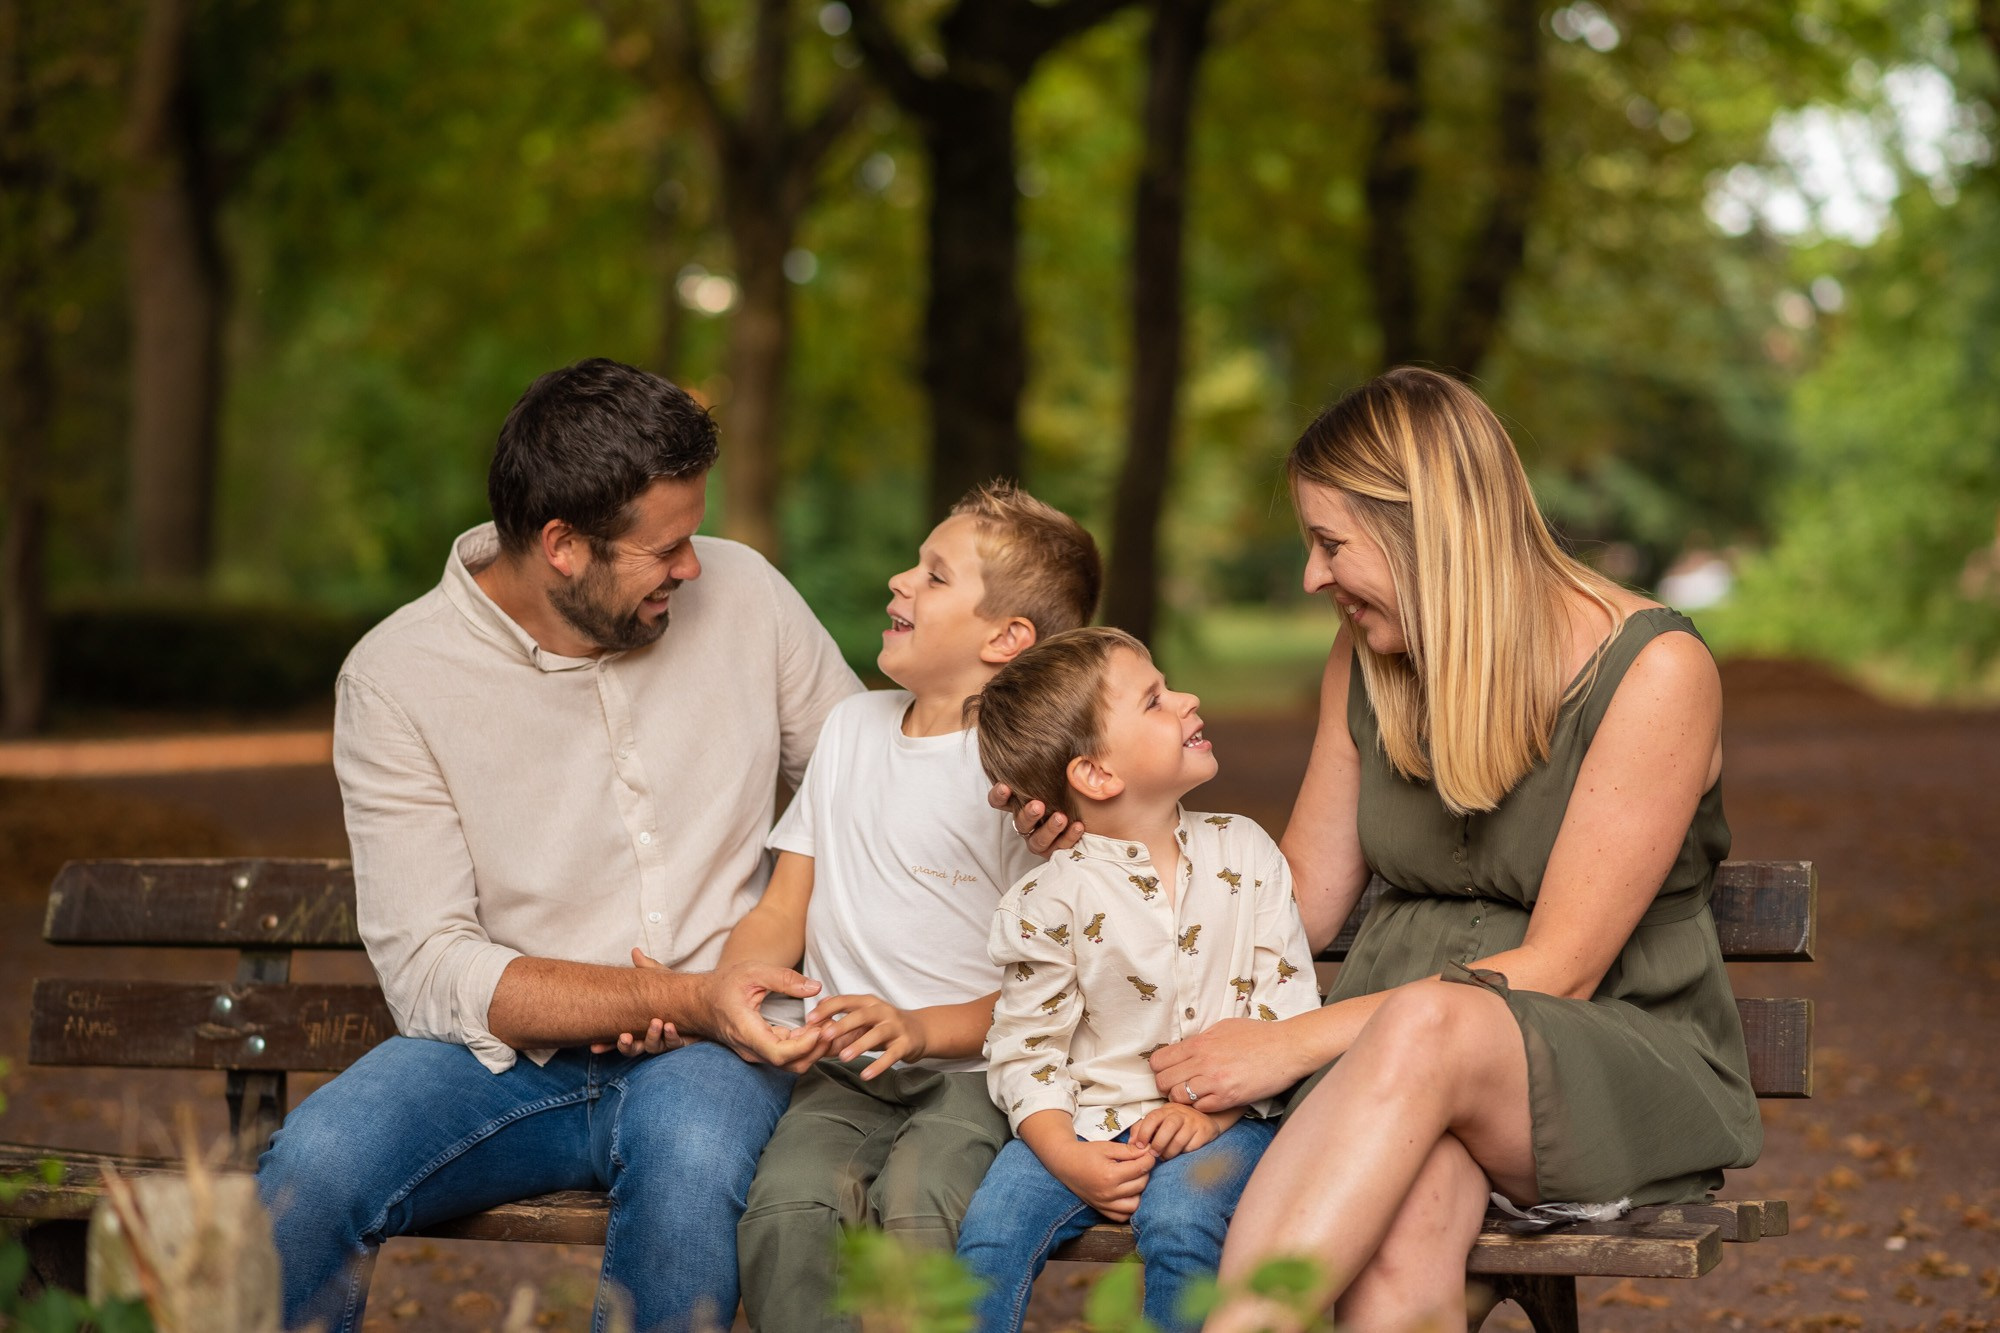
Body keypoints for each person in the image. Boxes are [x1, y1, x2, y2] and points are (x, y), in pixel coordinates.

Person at [1130, 368, 1762, 1331]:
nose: (1312, 575)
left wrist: (1287, 1045)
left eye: (1331, 542)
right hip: (1391, 1086)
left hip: (1600, 1062)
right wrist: (1120, 837)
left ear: (1425, 530)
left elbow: (1558, 969)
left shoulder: (1655, 669)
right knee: (1405, 1238)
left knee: (1428, 1030)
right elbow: (1301, 901)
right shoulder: (1370, 654)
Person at [255, 358, 862, 1333]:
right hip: (497, 1060)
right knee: (311, 1171)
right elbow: (430, 969)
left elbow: (865, 779)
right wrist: (667, 993)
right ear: (562, 546)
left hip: (711, 1051)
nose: (693, 567)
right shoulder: (397, 678)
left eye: (691, 536)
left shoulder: (746, 595)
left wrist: (1010, 784)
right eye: (664, 550)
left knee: (694, 1167)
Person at [722, 483, 1102, 1332]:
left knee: (920, 1206)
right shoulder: (852, 729)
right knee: (788, 1212)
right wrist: (738, 978)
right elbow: (786, 901)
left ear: (1006, 638)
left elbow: (1058, 983)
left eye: (933, 576)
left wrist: (922, 1027)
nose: (900, 580)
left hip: (978, 1078)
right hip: (841, 1074)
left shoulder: (1026, 782)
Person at [956, 628, 1320, 1333]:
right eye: (1156, 699)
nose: (1188, 699)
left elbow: (1286, 1010)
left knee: (1183, 1218)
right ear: (1096, 774)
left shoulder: (1245, 851)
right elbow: (1026, 1048)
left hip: (1231, 1121)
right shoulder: (1048, 900)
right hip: (1084, 1124)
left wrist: (1211, 1113)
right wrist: (1066, 1153)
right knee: (990, 1232)